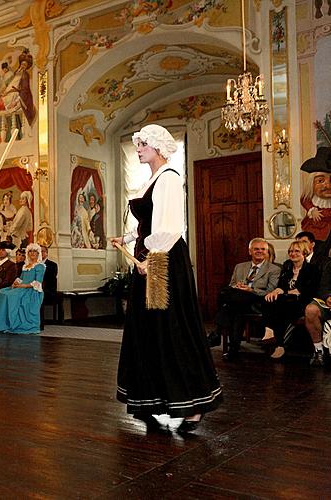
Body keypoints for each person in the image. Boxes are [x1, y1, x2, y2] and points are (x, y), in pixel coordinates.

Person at [110, 124, 222, 434]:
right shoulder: (152, 181)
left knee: (172, 330)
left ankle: (194, 406)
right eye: (138, 143)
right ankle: (155, 400)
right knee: (149, 330)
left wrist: (149, 255)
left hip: (163, 261)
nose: (139, 148)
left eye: (144, 143)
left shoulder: (170, 179)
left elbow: (170, 227)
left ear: (159, 147)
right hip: (152, 258)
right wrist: (128, 236)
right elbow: (148, 222)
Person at [213, 238, 281, 359]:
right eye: (256, 249)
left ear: (267, 252)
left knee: (228, 298)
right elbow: (231, 285)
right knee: (234, 305)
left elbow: (270, 291)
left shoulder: (274, 269)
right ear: (250, 251)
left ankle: (217, 333)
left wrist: (251, 290)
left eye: (262, 249)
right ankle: (233, 350)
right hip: (240, 301)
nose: (259, 251)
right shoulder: (240, 266)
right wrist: (237, 286)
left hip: (258, 300)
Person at [259, 241, 319, 360]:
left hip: (302, 302)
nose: (293, 253)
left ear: (304, 253)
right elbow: (282, 285)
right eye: (291, 251)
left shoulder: (311, 269)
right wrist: (276, 291)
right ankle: (270, 332)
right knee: (268, 299)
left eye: (297, 251)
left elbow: (307, 291)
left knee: (282, 305)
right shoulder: (287, 266)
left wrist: (286, 293)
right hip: (286, 300)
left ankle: (279, 342)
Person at [0, 243, 45, 334]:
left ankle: (14, 323)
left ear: (38, 253)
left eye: (34, 251)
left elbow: (37, 282)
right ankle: (3, 323)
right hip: (22, 287)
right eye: (30, 251)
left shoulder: (40, 266)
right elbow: (21, 278)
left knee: (11, 295)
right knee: (2, 292)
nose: (32, 253)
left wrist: (21, 286)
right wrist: (15, 283)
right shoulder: (26, 266)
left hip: (31, 290)